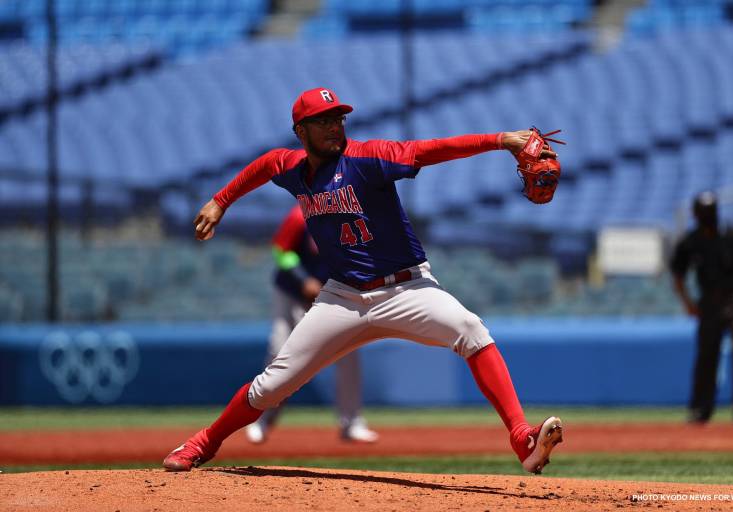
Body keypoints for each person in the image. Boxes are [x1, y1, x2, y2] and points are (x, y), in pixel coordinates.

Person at [163, 87, 564, 474]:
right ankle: (204, 442)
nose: (334, 126)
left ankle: (521, 439)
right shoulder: (294, 169)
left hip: (407, 288)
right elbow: (265, 164)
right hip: (343, 297)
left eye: (338, 118)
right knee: (270, 387)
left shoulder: (368, 157)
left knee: (471, 329)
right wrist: (220, 201)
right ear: (301, 131)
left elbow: (430, 149)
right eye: (323, 121)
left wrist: (500, 140)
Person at [246, 204, 379, 444]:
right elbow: (280, 251)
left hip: (331, 295)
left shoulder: (352, 217)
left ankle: (351, 422)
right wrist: (303, 279)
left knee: (348, 353)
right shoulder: (301, 214)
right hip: (292, 293)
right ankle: (263, 419)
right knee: (279, 351)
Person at [670, 191, 733, 424]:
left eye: (710, 212)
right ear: (696, 215)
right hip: (709, 303)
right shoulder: (691, 241)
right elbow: (678, 274)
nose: (707, 217)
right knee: (706, 354)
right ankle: (701, 410)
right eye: (703, 213)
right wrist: (688, 303)